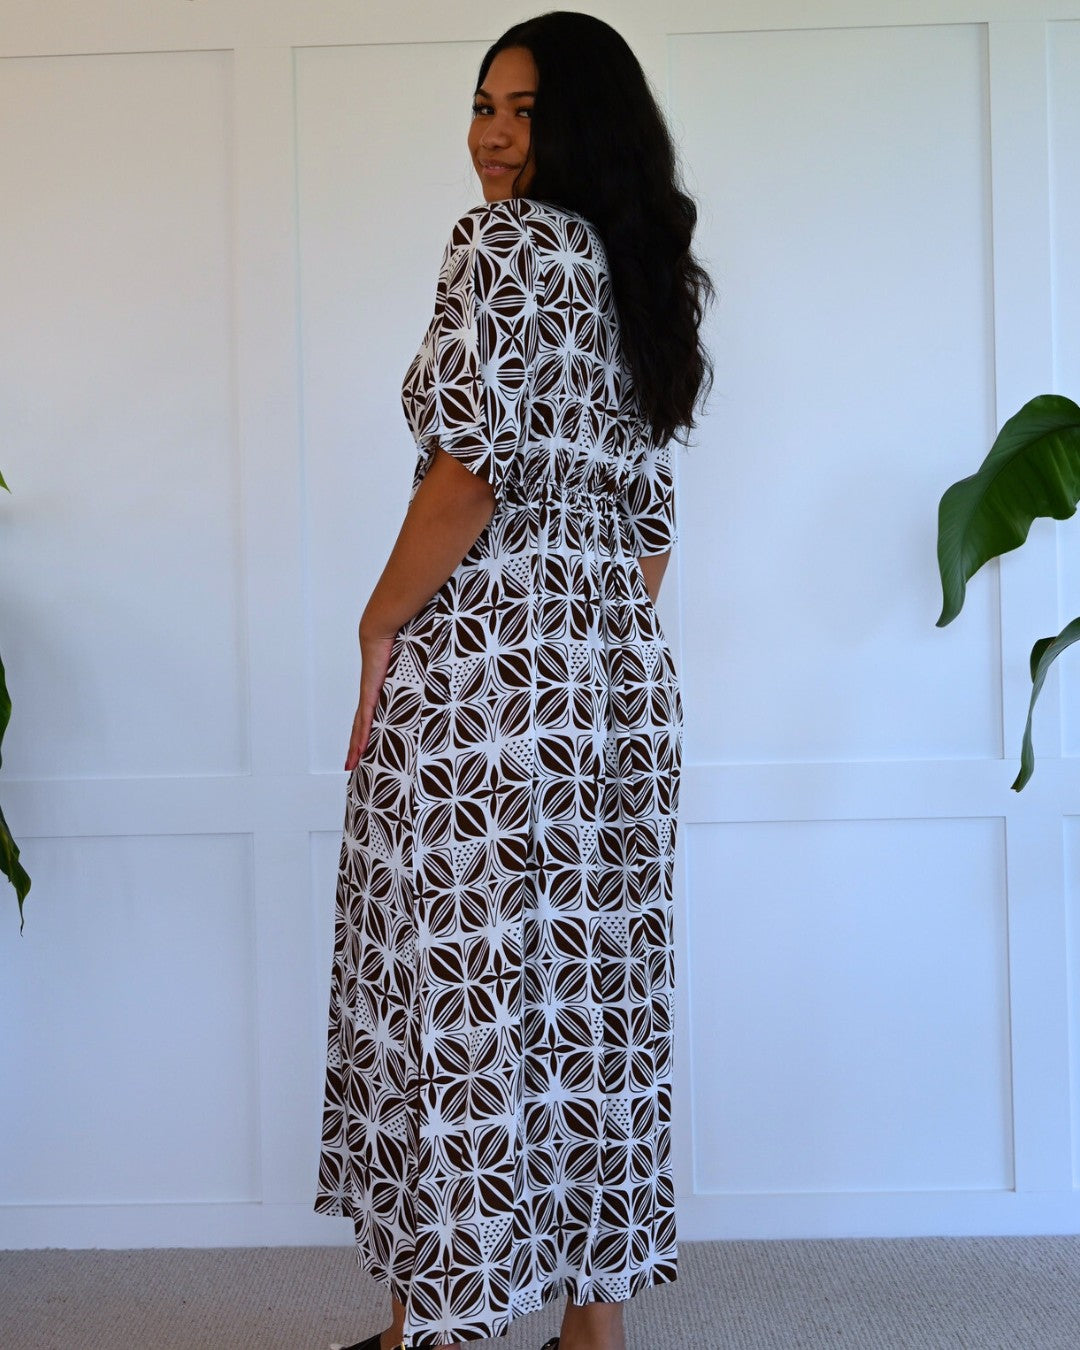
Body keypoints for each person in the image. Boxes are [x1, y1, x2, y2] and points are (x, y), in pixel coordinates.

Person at [315, 12, 712, 1350]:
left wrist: (381, 627)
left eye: (524, 109)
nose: (491, 135)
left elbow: (468, 470)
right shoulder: (638, 276)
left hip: (484, 702)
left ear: (579, 122)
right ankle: (588, 1330)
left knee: (458, 1005)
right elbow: (650, 540)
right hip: (615, 700)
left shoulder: (505, 244)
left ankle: (438, 1322)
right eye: (481, 105)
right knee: (587, 1001)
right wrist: (578, 646)